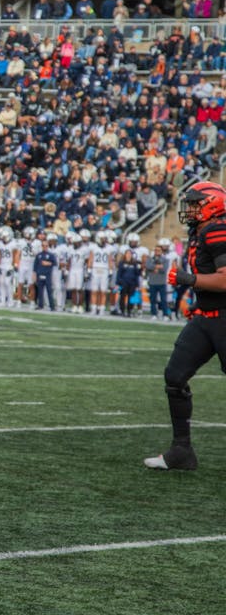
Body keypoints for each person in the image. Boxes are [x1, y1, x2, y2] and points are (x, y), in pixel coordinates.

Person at [146, 182, 226, 471]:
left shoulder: (218, 230)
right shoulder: (202, 232)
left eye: (194, 203)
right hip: (207, 317)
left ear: (211, 204)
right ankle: (182, 451)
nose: (189, 209)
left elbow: (224, 279)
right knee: (175, 376)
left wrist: (187, 279)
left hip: (223, 318)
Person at [33, 240, 57, 311]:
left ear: (48, 246)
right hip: (40, 274)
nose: (45, 247)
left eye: (46, 246)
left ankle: (52, 306)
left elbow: (55, 263)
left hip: (47, 275)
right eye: (43, 246)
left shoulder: (51, 255)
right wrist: (34, 275)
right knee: (40, 291)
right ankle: (40, 305)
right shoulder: (38, 255)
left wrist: (48, 263)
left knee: (49, 291)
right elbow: (35, 266)